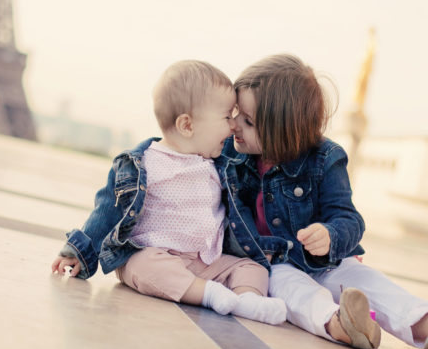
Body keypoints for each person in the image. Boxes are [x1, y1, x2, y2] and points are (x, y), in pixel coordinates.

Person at [219, 54, 428, 349]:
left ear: (282, 129)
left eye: (247, 121)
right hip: (275, 264)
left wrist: (330, 234)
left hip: (327, 261)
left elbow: (348, 218)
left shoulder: (325, 158)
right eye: (235, 115)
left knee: (369, 283)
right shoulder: (233, 157)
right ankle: (341, 324)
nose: (234, 126)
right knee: (292, 289)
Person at [51, 60, 287, 325]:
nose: (233, 125)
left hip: (205, 261)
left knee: (251, 268)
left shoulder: (217, 166)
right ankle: (208, 295)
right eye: (225, 116)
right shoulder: (144, 165)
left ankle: (247, 301)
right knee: (141, 265)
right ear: (187, 125)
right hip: (156, 254)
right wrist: (78, 252)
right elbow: (107, 211)